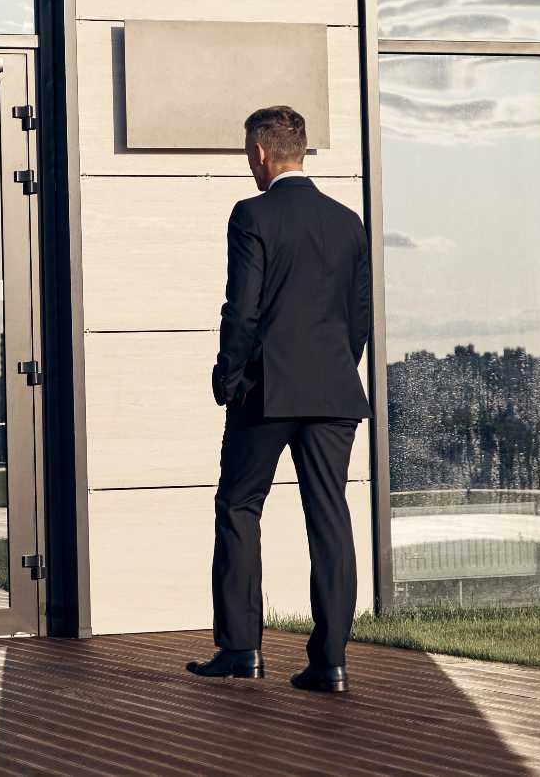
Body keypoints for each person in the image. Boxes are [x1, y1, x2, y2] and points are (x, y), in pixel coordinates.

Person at [186, 107, 372, 693]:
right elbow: (359, 318)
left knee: (240, 506)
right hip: (334, 391)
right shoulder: (347, 221)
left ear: (262, 152)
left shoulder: (252, 215)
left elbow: (241, 308)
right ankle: (330, 662)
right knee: (330, 518)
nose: (248, 160)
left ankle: (242, 650)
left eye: (248, 150)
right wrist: (335, 368)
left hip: (265, 389)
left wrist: (227, 374)